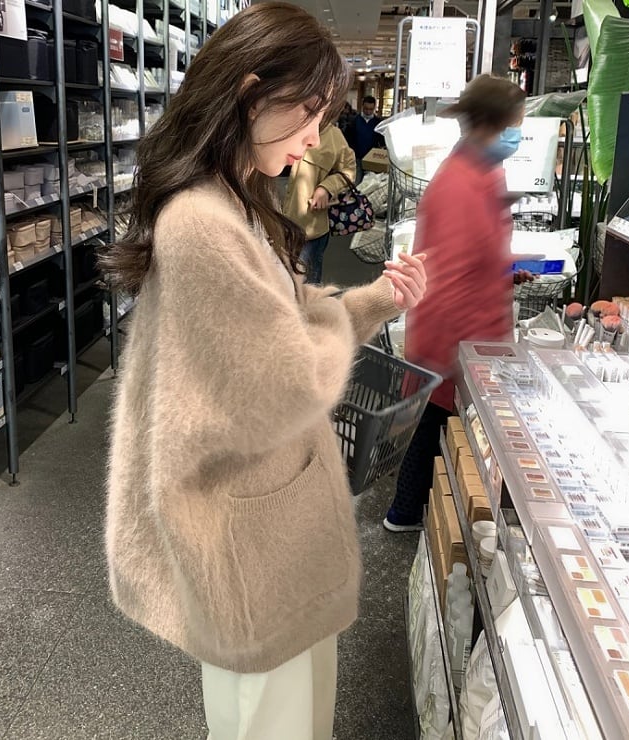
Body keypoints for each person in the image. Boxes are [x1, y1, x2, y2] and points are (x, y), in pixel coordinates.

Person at [100, 3, 429, 738]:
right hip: (247, 536)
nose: (315, 137)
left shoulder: (235, 198)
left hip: (269, 520)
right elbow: (287, 378)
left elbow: (283, 322)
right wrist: (345, 322)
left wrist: (379, 299)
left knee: (290, 710)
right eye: (308, 114)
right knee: (268, 719)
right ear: (251, 95)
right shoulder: (200, 222)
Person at [383, 74, 526, 533]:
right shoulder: (458, 184)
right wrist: (451, 357)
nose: (517, 136)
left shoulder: (483, 171)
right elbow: (446, 276)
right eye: (514, 126)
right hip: (453, 340)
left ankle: (414, 511)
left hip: (470, 335)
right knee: (435, 428)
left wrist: (505, 272)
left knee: (440, 429)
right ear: (490, 125)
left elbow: (480, 252)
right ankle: (406, 513)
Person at [283, 123, 355, 284]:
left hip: (308, 229)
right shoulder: (287, 126)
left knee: (307, 284)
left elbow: (348, 170)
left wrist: (326, 188)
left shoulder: (333, 135)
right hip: (275, 223)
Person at [345, 94, 384, 183]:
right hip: (356, 158)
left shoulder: (378, 124)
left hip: (372, 159)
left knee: (369, 183)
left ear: (374, 108)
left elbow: (381, 142)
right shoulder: (354, 121)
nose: (368, 112)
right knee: (356, 182)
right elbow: (347, 139)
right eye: (366, 109)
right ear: (362, 106)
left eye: (371, 109)